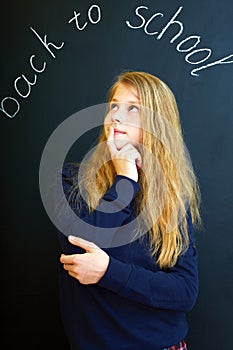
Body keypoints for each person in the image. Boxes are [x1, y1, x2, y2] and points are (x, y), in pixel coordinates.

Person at [56, 71, 201, 350]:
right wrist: (125, 181)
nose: (116, 116)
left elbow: (184, 291)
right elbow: (79, 252)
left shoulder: (172, 198)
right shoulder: (71, 180)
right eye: (113, 106)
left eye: (132, 108)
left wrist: (109, 271)